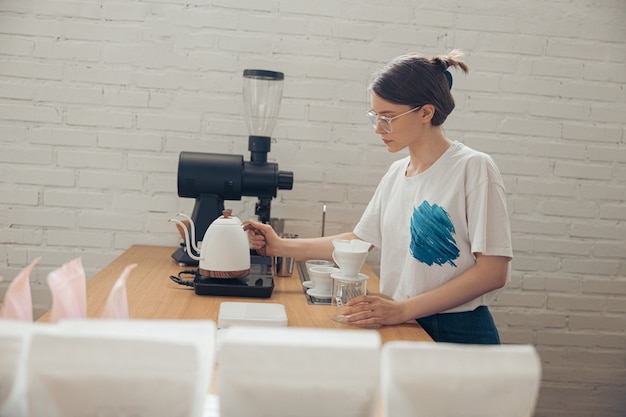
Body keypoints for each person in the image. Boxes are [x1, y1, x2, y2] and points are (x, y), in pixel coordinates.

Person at [247, 50, 512, 344]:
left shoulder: (473, 168)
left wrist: (401, 310)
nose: (378, 129)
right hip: (402, 322)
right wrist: (280, 246)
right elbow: (359, 240)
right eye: (375, 116)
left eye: (388, 118)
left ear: (426, 112)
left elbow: (493, 272)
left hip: (459, 331)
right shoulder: (397, 173)